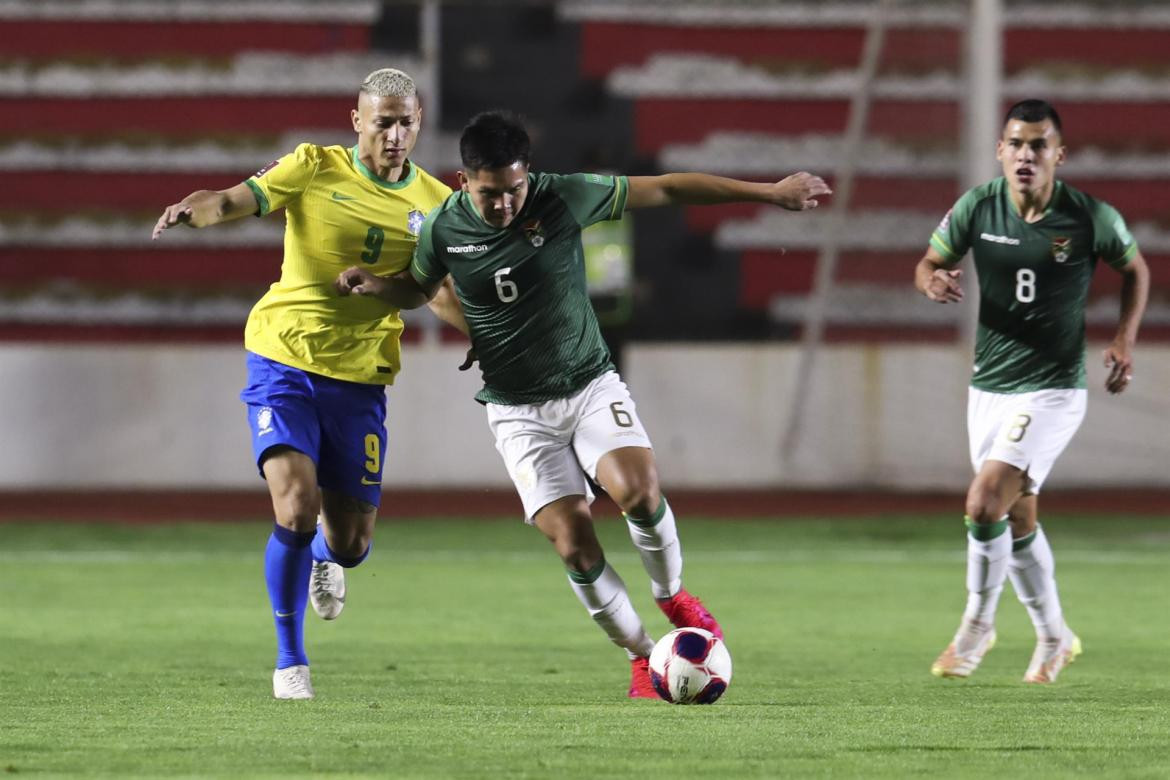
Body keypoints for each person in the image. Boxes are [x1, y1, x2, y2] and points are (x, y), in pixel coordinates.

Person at [334, 110, 831, 698]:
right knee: (572, 542)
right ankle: (645, 657)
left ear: (528, 175)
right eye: (491, 194)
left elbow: (667, 188)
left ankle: (672, 594)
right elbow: (417, 290)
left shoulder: (562, 196)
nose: (504, 205)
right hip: (517, 410)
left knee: (639, 492)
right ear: (465, 181)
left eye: (514, 189)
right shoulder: (442, 228)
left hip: (588, 383)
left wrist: (769, 193)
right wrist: (374, 283)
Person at [152, 68, 466, 699]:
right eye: (383, 121)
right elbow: (237, 198)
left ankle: (329, 559)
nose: (396, 134)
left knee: (350, 543)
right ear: (358, 122)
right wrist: (198, 210)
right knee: (295, 506)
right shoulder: (314, 166)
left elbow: (433, 291)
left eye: (407, 122)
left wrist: (486, 338)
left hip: (359, 378)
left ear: (420, 122)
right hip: (283, 358)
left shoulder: (436, 204)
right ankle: (290, 660)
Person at [915, 99, 1149, 683]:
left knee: (983, 501)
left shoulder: (1089, 217)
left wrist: (1123, 339)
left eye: (1038, 145)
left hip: (1052, 389)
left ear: (1058, 156)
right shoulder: (976, 206)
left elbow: (1136, 270)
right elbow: (927, 262)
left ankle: (976, 625)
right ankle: (1053, 636)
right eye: (1016, 143)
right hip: (988, 387)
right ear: (1000, 151)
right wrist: (933, 280)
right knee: (1016, 522)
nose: (1026, 154)